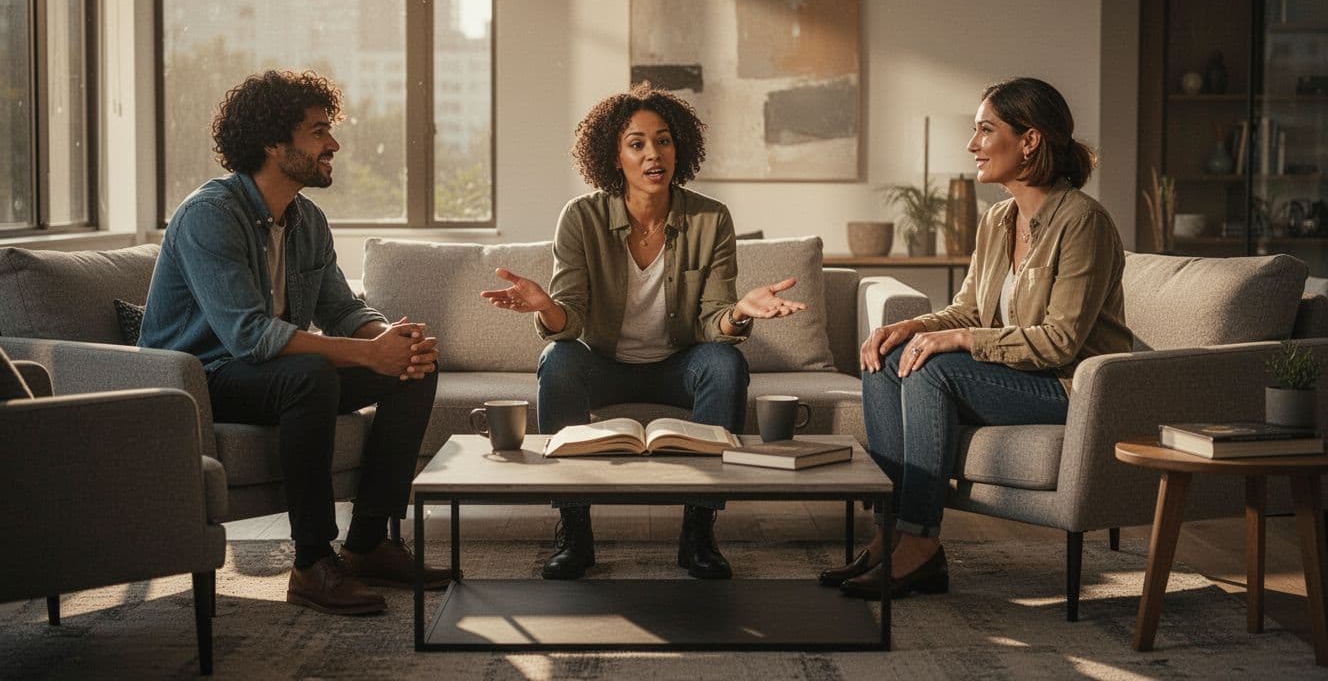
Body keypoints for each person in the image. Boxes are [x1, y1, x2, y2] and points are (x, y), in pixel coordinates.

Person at [140, 70, 453, 616]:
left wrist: (386, 339)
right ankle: (311, 564)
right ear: (272, 143)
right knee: (309, 375)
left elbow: (343, 308)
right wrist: (365, 353)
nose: (333, 144)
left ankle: (368, 544)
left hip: (271, 374)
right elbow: (249, 336)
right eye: (318, 132)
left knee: (414, 368)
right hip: (204, 375)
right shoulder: (208, 216)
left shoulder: (308, 220)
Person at [819, 77, 1133, 599]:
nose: (972, 145)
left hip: (1069, 390)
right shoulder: (997, 219)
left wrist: (960, 341)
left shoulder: (1083, 223)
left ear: (1029, 140)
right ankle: (893, 531)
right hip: (1016, 379)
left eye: (986, 130)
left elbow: (1059, 343)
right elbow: (968, 308)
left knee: (932, 367)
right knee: (887, 354)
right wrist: (913, 327)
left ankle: (921, 543)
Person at [480, 84, 807, 580]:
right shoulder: (581, 218)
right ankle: (574, 529)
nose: (654, 153)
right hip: (605, 366)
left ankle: (699, 530)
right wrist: (547, 306)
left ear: (680, 149)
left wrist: (739, 312)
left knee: (726, 363)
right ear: (614, 156)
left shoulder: (709, 218)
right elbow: (569, 320)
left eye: (664, 140)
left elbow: (712, 319)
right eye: (637, 143)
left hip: (680, 365)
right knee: (559, 360)